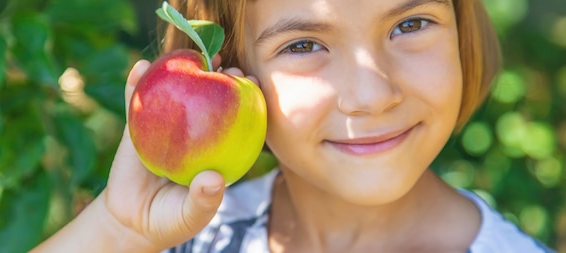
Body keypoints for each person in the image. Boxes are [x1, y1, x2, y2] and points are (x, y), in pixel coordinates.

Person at [31, 0, 556, 252]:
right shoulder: (188, 236)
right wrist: (117, 231)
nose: (372, 96)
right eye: (303, 45)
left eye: (410, 24)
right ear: (231, 72)